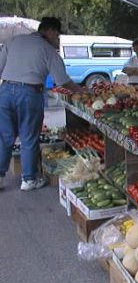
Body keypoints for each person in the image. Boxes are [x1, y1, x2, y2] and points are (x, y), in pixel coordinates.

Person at [0, 17, 81, 191]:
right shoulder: (47, 49)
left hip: (5, 91)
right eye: (57, 35)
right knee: (28, 136)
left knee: (5, 136)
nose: (57, 39)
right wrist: (81, 91)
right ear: (51, 31)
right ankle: (29, 179)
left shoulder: (15, 40)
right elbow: (62, 80)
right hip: (29, 93)